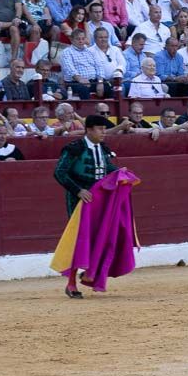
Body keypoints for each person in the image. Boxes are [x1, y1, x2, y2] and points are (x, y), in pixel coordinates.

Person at [51, 115, 129, 299]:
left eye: (104, 128)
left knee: (98, 236)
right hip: (79, 199)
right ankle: (70, 283)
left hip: (99, 199)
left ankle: (89, 274)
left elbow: (106, 168)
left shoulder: (102, 148)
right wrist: (78, 190)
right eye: (100, 129)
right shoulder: (74, 148)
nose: (104, 132)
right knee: (80, 240)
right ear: (89, 129)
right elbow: (59, 172)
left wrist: (120, 173)